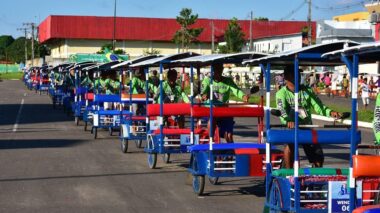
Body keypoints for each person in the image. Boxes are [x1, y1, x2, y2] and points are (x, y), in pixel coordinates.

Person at [276, 66, 341, 168]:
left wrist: (331, 112)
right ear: (287, 76)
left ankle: (315, 176)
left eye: (299, 73)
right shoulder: (281, 93)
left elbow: (319, 107)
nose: (298, 76)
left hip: (306, 127)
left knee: (318, 156)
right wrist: (288, 120)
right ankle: (288, 174)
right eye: (295, 73)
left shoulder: (307, 91)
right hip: (291, 127)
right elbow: (281, 110)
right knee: (289, 146)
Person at [201, 64, 250, 143]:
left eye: (219, 70)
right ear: (212, 71)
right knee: (212, 118)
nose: (217, 73)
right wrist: (203, 95)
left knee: (229, 135)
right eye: (215, 70)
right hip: (211, 109)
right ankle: (211, 140)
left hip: (224, 110)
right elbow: (203, 91)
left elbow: (236, 90)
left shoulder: (228, 81)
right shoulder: (207, 81)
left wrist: (243, 96)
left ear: (222, 71)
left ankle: (231, 152)